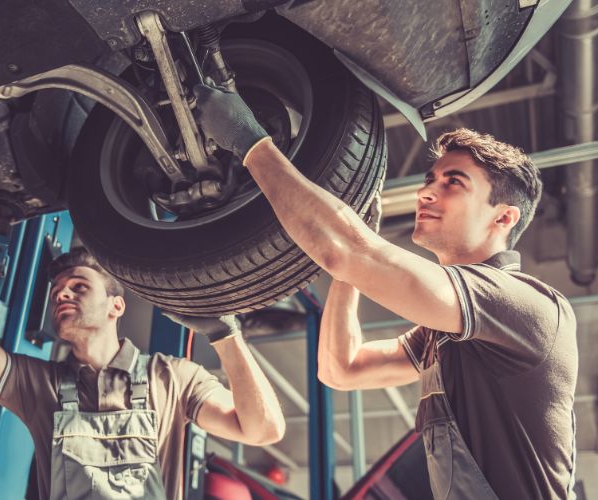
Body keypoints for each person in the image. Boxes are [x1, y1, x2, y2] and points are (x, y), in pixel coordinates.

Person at [193, 84, 577, 499]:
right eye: (430, 179)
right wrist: (354, 269)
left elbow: (346, 251)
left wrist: (250, 145)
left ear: (503, 217)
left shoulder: (524, 304)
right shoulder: (445, 333)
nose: (425, 191)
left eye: (454, 182)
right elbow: (340, 368)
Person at [0, 162, 285, 500]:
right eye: (58, 290)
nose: (62, 294)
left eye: (79, 286)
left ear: (116, 306)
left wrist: (225, 333)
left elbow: (262, 429)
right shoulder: (37, 387)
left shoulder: (174, 378)